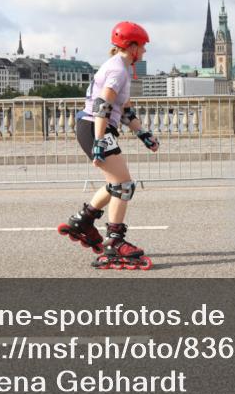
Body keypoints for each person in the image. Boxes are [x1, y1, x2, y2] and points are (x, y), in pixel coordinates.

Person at [57, 21, 159, 270]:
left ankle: (83, 221)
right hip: (94, 127)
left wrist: (143, 134)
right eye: (143, 46)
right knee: (124, 185)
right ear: (132, 46)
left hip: (95, 127)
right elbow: (102, 106)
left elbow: (123, 110)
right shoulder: (117, 71)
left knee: (116, 183)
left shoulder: (121, 67)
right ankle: (114, 242)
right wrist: (100, 141)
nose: (144, 51)